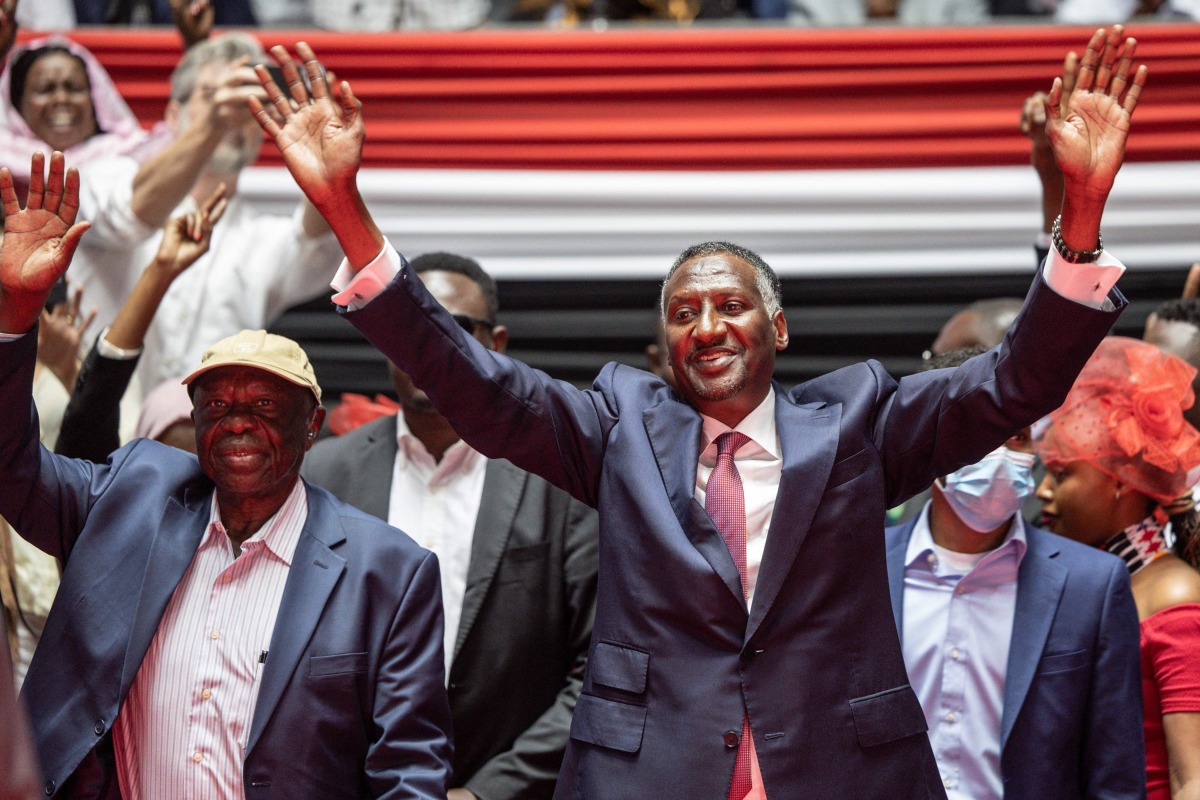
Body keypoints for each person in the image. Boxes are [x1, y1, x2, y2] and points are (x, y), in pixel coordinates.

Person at [253, 28, 1142, 799]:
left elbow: (1016, 382)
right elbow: (479, 388)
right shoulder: (619, 427)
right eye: (682, 313)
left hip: (838, 772)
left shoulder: (858, 425)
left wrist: (1084, 206)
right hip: (651, 775)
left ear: (779, 327)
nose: (707, 325)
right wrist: (346, 212)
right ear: (663, 346)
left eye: (730, 305)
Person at [0, 151, 453, 798]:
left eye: (265, 406)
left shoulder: (388, 572)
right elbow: (11, 466)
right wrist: (15, 318)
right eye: (218, 405)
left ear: (313, 424)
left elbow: (409, 769)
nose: (238, 421)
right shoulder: (131, 497)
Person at [303, 250, 599, 800]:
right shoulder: (324, 473)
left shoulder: (559, 476)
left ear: (498, 344)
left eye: (455, 327)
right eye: (413, 326)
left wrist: (488, 792)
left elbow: (598, 668)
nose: (430, 343)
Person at [884, 348, 1144, 800]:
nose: (1001, 452)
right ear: (929, 438)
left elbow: (1115, 777)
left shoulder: (1092, 587)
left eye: (1018, 437)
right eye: (981, 432)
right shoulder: (859, 568)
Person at [71, 31, 339, 398]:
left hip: (207, 447)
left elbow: (316, 251)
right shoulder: (106, 174)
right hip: (92, 436)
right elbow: (131, 216)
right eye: (212, 96)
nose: (233, 113)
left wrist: (325, 162)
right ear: (173, 114)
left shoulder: (264, 236)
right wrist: (212, 125)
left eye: (250, 101)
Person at [1036, 336, 1200, 800]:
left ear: (1118, 482)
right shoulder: (1092, 582)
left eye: (1062, 473)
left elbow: (1194, 780)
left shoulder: (1173, 596)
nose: (1043, 491)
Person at [55, 184, 227, 462]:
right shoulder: (115, 498)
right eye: (169, 464)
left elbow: (96, 406)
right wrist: (162, 268)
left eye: (204, 468)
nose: (186, 489)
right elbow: (91, 419)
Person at [0, 36, 150, 201]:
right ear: (16, 105)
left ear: (96, 101)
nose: (61, 99)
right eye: (45, 89)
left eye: (74, 88)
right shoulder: (3, 160)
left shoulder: (136, 160)